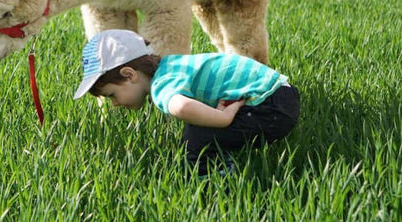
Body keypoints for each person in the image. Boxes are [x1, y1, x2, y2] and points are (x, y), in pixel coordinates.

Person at [73, 29, 300, 177]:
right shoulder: (172, 65)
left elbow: (182, 108)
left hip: (270, 107)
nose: (114, 104)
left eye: (112, 95)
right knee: (200, 129)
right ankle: (224, 158)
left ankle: (215, 186)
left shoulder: (161, 86)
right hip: (281, 93)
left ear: (129, 74)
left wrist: (222, 119)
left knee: (196, 140)